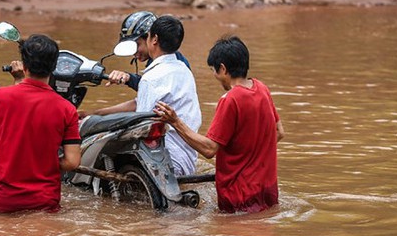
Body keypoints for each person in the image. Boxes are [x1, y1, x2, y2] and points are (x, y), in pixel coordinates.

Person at [154, 35, 284, 214]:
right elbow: (279, 132)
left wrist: (175, 121)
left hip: (239, 195)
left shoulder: (231, 100)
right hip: (268, 191)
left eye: (214, 70)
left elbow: (209, 149)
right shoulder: (262, 89)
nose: (215, 76)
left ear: (223, 69)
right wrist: (253, 158)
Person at [0, 34, 81, 213]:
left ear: (24, 65)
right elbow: (72, 161)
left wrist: (0, 145)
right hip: (44, 202)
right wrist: (43, 163)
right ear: (54, 67)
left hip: (2, 202)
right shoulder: (67, 109)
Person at [86, 15, 202, 176]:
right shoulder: (184, 70)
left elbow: (141, 126)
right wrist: (98, 113)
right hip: (187, 159)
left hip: (165, 159)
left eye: (143, 40)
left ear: (154, 39)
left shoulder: (151, 78)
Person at [106, 11, 191, 91]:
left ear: (152, 38)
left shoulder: (171, 63)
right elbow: (150, 89)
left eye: (137, 45)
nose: (134, 53)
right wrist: (128, 78)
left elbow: (152, 93)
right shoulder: (158, 60)